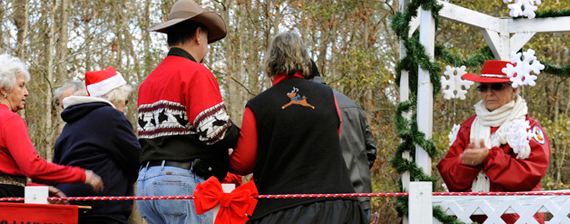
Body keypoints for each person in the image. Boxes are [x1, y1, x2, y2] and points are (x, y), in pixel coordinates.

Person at [229, 32, 367, 224]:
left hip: (281, 211)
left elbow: (242, 164)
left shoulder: (258, 106)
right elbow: (334, 138)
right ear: (304, 59)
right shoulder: (328, 96)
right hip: (339, 208)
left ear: (271, 61)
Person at [0, 54, 104, 224]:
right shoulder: (10, 119)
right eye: (21, 86)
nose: (26, 93)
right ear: (4, 88)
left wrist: (39, 189)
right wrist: (81, 174)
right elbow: (33, 167)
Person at [135, 0, 240, 223]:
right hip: (180, 180)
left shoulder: (148, 82)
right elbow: (214, 130)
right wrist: (245, 136)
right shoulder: (195, 72)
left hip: (146, 183)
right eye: (207, 40)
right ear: (198, 35)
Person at [437, 60, 551, 224]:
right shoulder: (467, 128)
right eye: (483, 88)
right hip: (471, 217)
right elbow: (451, 178)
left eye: (496, 86)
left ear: (513, 89)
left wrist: (489, 157)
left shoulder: (528, 128)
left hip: (519, 218)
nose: (489, 93)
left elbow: (530, 175)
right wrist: (467, 164)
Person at [53, 66, 141, 224]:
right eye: (125, 101)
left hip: (68, 206)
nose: (124, 107)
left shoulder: (70, 125)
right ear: (116, 97)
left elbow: (56, 165)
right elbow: (136, 161)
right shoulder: (112, 117)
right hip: (102, 210)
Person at [309, 61, 377, 218]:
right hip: (360, 196)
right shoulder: (352, 105)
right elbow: (371, 149)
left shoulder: (310, 107)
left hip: (329, 202)